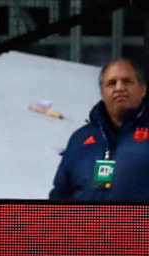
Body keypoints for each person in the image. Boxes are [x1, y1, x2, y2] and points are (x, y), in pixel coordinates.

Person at [49, 58, 148, 201]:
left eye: (127, 81)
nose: (119, 88)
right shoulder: (80, 138)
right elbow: (59, 196)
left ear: (143, 90)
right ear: (102, 92)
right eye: (111, 83)